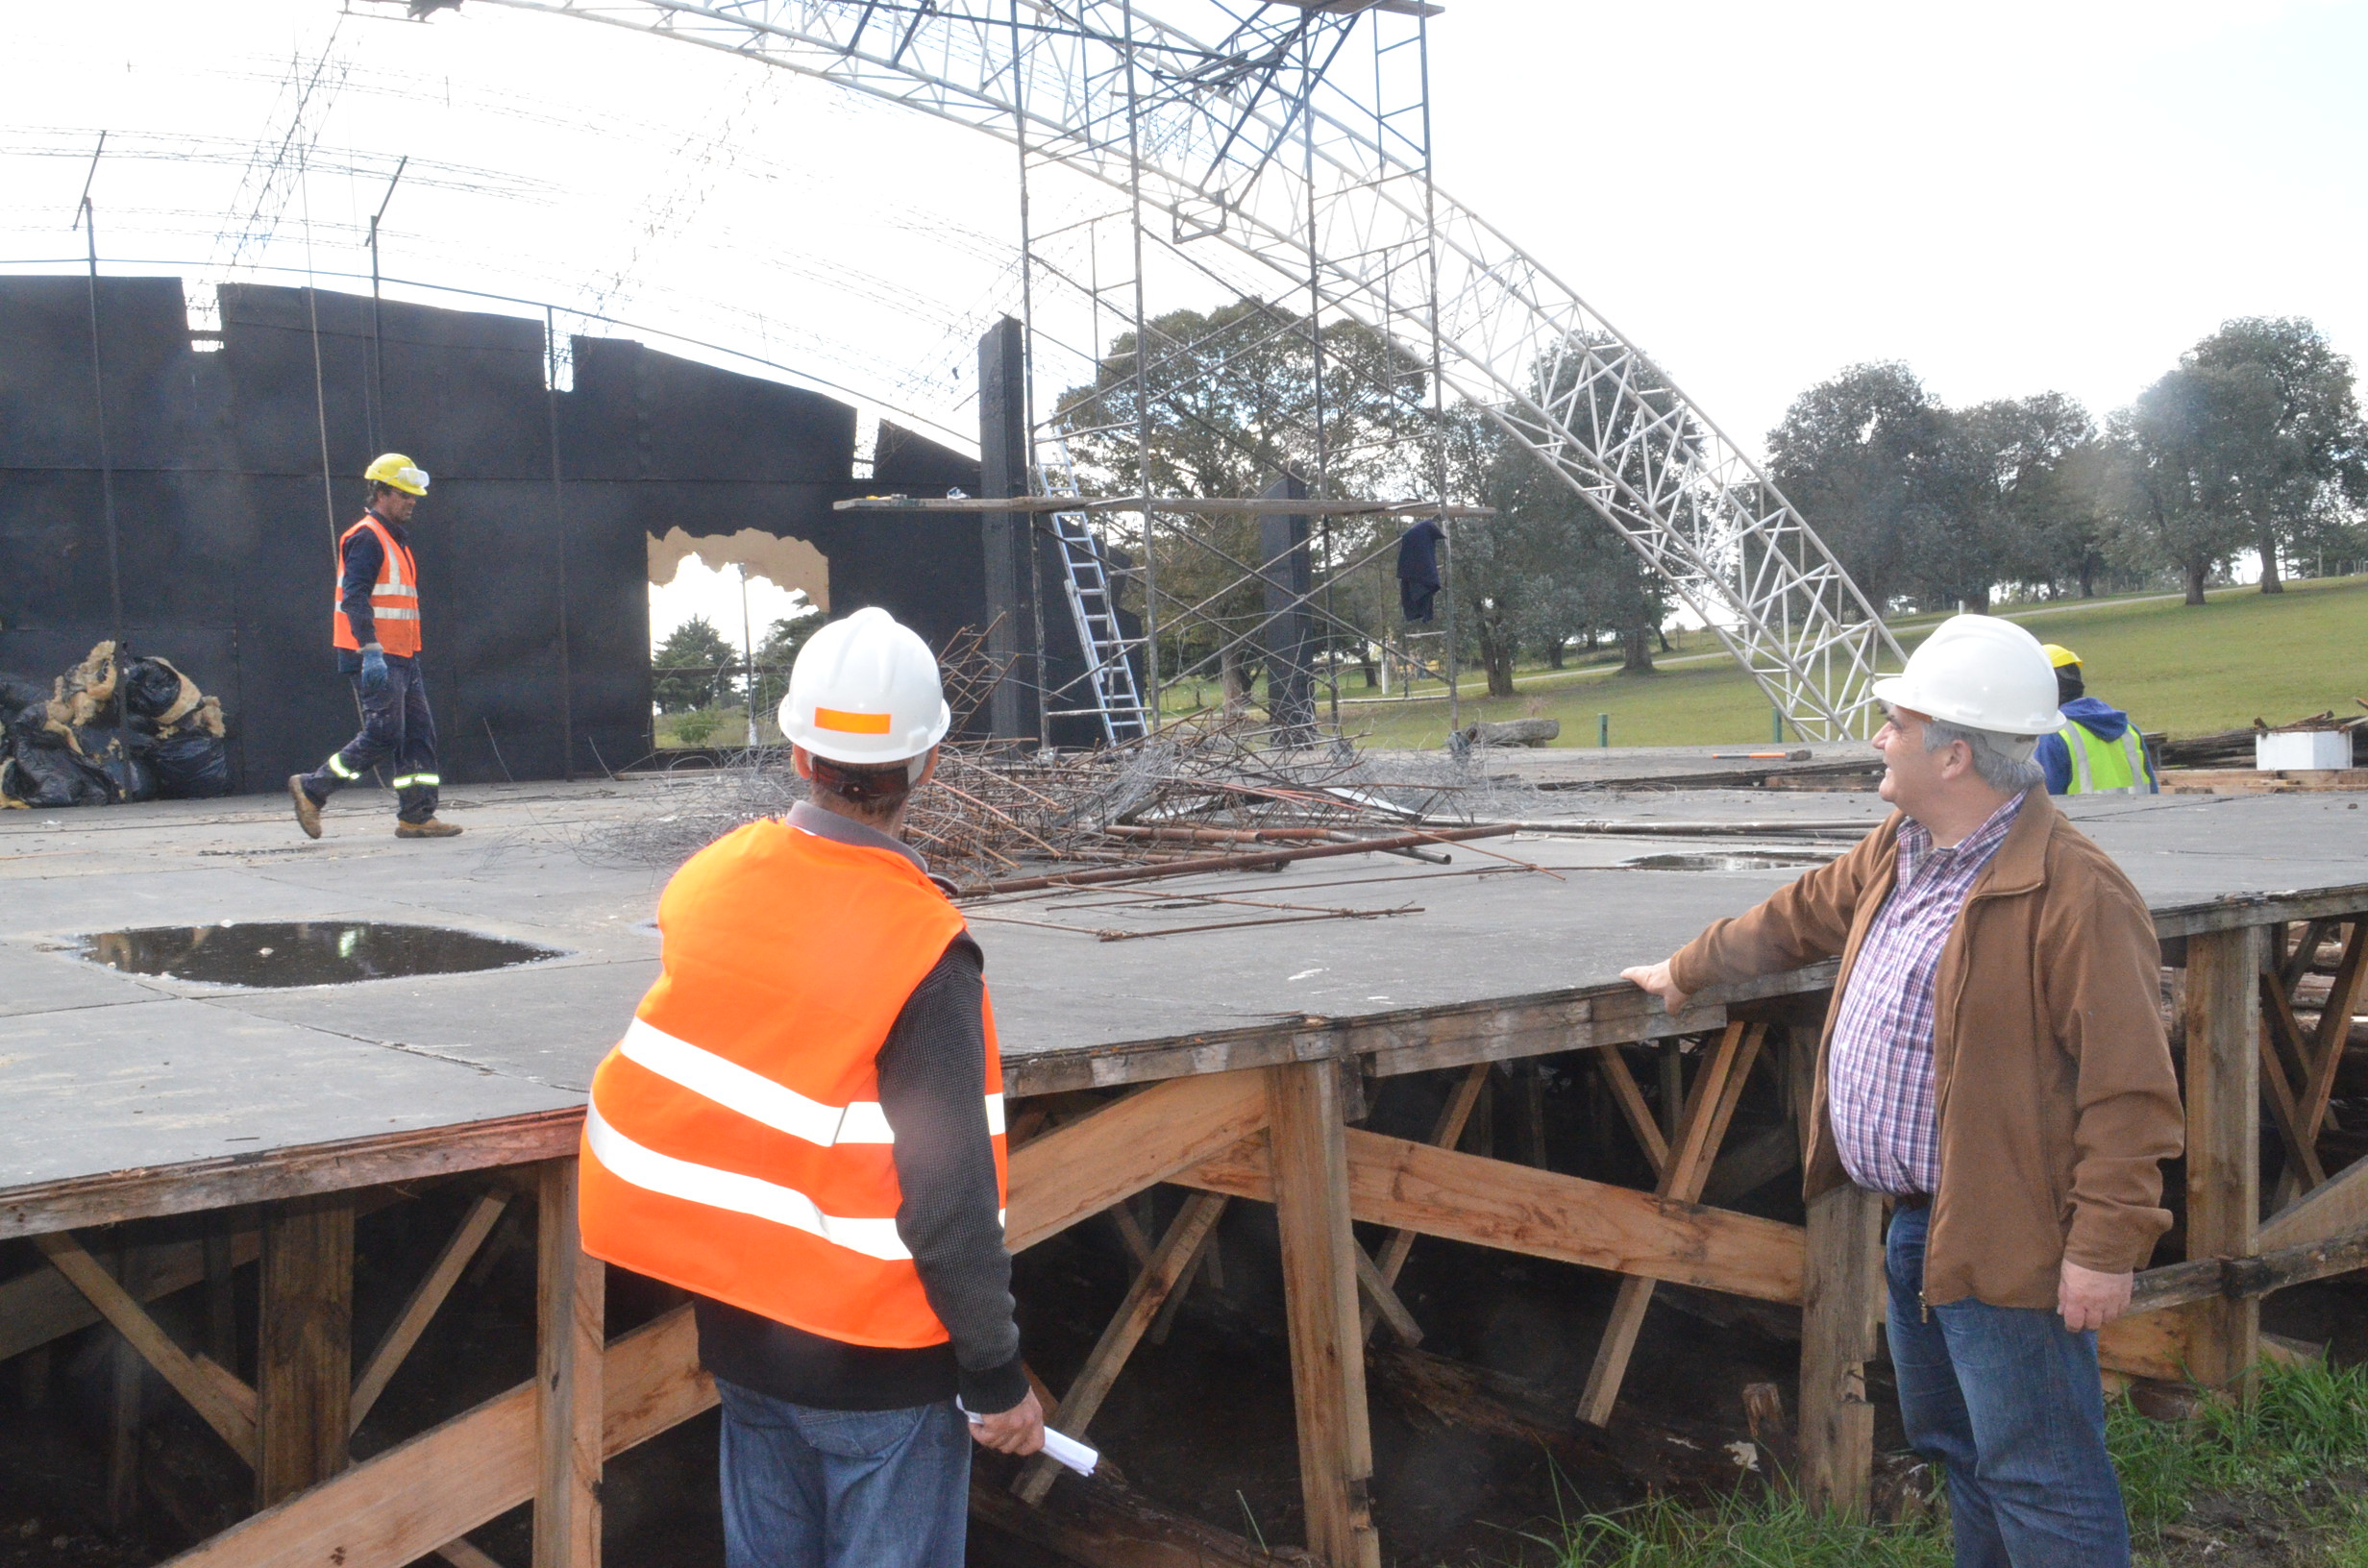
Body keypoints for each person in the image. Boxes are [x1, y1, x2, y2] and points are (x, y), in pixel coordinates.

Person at [1621, 614, 2183, 1568]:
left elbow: (2128, 1091)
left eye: (1895, 721)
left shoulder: (2076, 894)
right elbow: (1799, 915)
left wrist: (2103, 1250)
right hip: (1921, 1220)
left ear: (1953, 754)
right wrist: (1686, 968)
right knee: (1961, 1453)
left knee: (2040, 1471)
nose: (1878, 737)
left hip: (2017, 1235)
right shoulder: (1904, 845)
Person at [577, 606, 1043, 1568]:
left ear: (798, 753)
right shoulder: (923, 949)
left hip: (747, 1339)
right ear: (930, 765)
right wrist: (999, 1378)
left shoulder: (709, 883)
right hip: (880, 1369)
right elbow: (952, 1203)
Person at [288, 453, 461, 840]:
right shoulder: (368, 537)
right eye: (404, 495)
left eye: (414, 495)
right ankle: (313, 788)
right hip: (376, 656)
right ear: (381, 493)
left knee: (418, 735)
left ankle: (417, 816)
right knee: (384, 733)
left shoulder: (395, 539)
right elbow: (354, 597)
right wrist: (370, 651)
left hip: (401, 655)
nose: (412, 501)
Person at [2035, 643, 2158, 796]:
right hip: (2143, 818)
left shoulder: (2053, 736)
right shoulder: (2128, 730)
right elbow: (2153, 793)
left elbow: (2044, 804)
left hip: (2082, 819)